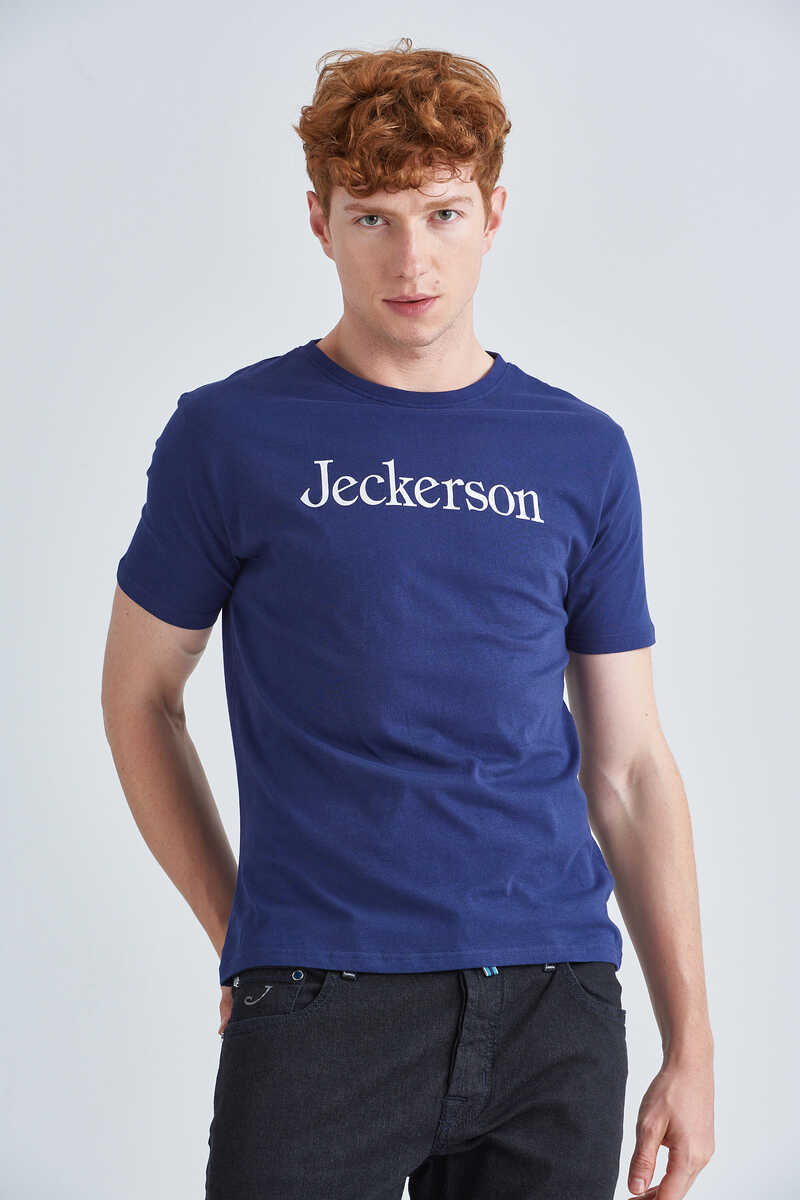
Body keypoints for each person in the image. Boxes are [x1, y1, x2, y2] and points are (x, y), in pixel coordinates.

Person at [101, 37, 715, 1200]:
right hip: (320, 998)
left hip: (552, 1002)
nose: (411, 259)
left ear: (492, 212)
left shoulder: (580, 451)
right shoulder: (228, 437)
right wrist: (242, 931)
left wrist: (691, 1044)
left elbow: (629, 764)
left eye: (440, 213)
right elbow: (139, 698)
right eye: (372, 219)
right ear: (319, 222)